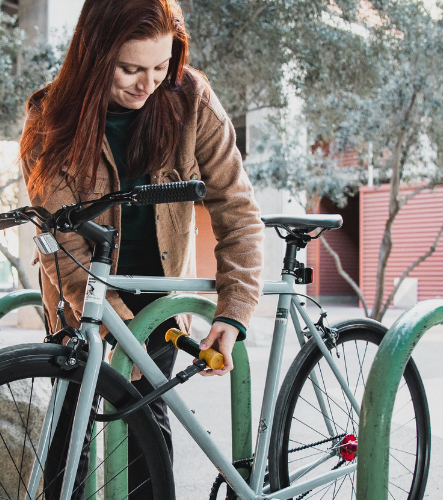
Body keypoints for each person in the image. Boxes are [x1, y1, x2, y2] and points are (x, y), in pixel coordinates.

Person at [19, 0, 264, 497]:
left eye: (159, 66)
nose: (146, 83)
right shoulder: (50, 116)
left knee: (144, 431)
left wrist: (234, 309)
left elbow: (236, 207)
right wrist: (112, 323)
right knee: (71, 431)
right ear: (92, 56)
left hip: (158, 302)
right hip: (80, 302)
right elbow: (60, 241)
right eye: (129, 68)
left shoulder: (191, 97)